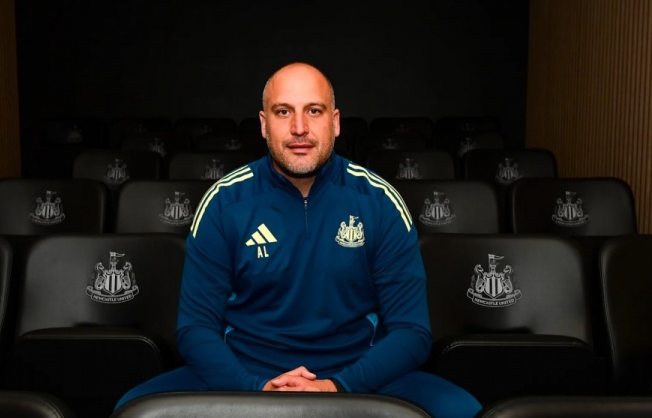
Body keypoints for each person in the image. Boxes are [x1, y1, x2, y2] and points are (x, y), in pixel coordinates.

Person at [115, 62, 482, 418]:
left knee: (462, 410)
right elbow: (195, 328)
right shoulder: (224, 203)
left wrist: (336, 387)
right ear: (264, 125)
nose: (300, 128)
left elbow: (411, 331)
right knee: (134, 408)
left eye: (314, 111)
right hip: (244, 373)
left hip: (358, 373)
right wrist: (256, 389)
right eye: (283, 112)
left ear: (335, 122)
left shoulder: (380, 202)